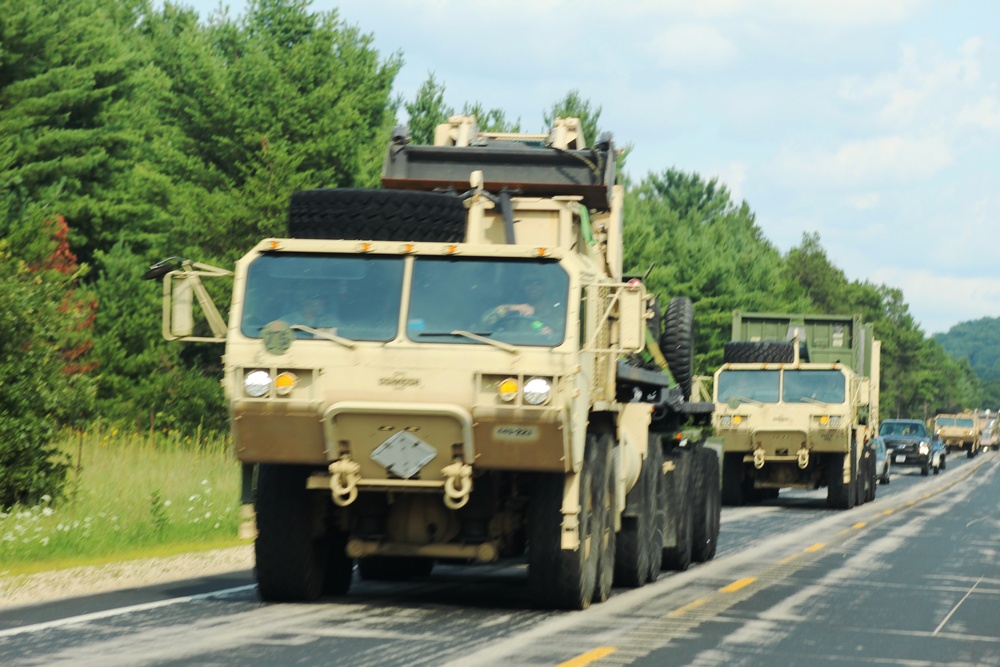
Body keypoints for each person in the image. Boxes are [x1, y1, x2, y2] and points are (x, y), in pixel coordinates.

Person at [480, 273, 562, 336]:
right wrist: (510, 308)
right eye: (528, 283)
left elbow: (566, 334)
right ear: (523, 286)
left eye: (538, 283)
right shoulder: (513, 310)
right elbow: (484, 323)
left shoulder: (557, 312)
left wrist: (552, 334)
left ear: (546, 285)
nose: (533, 287)